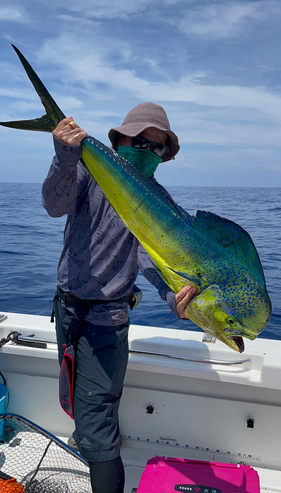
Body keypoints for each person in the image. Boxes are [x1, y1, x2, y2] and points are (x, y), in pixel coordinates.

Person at [42, 102, 197, 493]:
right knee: (82, 406)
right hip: (66, 310)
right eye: (140, 141)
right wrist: (64, 154)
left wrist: (170, 295)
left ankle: (101, 452)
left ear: (164, 156)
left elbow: (150, 256)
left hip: (106, 323)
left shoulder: (160, 201)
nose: (146, 151)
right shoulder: (89, 171)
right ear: (120, 140)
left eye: (156, 148)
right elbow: (52, 205)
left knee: (95, 424)